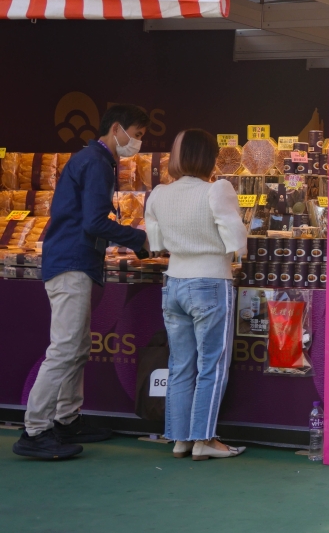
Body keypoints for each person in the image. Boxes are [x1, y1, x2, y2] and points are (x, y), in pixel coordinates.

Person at [12, 105, 150, 460]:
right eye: (136, 134)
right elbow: (94, 222)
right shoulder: (96, 163)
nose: (138, 142)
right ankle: (35, 430)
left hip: (73, 261)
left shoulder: (93, 160)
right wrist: (139, 239)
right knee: (65, 349)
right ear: (116, 128)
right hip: (71, 263)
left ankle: (67, 419)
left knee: (77, 347)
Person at [144, 128, 248, 461]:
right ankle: (204, 439)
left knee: (180, 365)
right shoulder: (217, 189)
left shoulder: (159, 193)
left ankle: (180, 439)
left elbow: (155, 243)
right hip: (210, 282)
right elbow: (237, 242)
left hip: (174, 282)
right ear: (209, 158)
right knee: (211, 366)